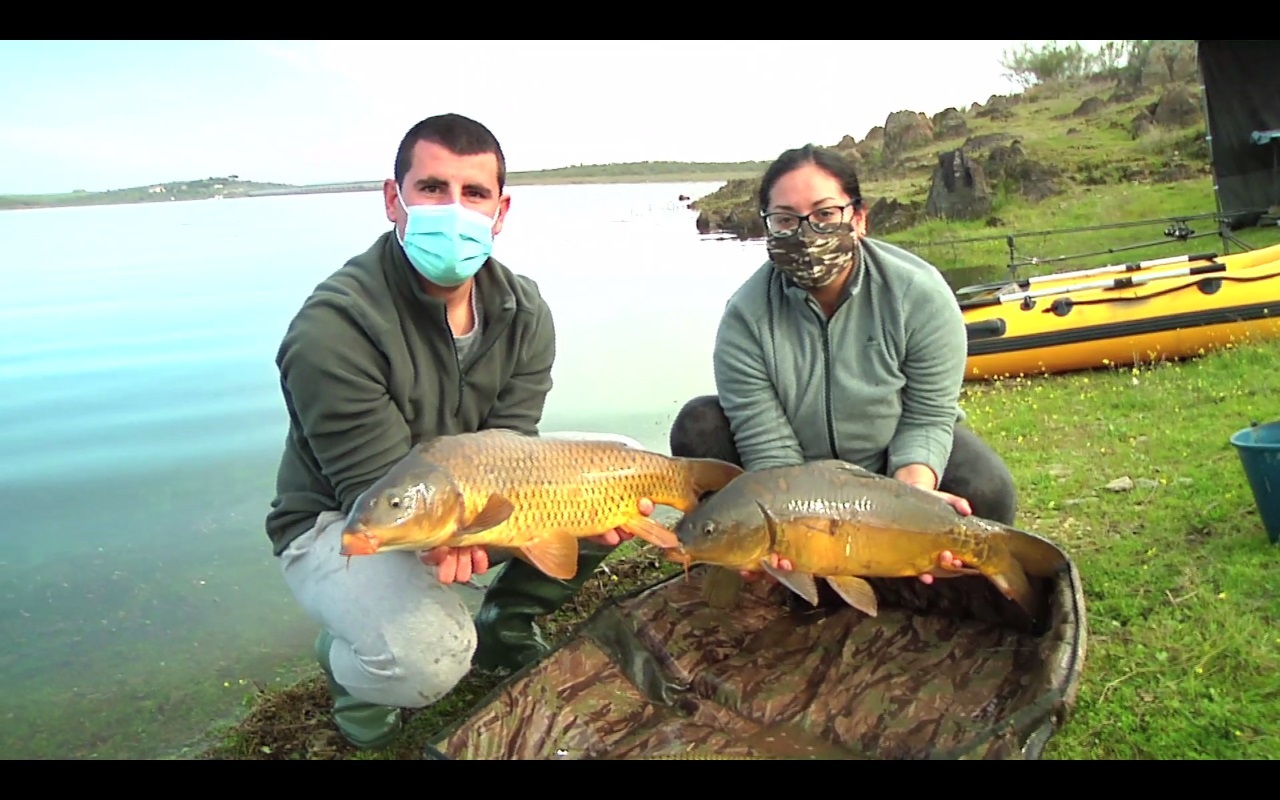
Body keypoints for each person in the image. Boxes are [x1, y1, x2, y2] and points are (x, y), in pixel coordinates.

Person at [264, 112, 653, 751]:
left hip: (466, 498)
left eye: (473, 194)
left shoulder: (524, 310)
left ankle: (510, 618)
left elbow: (512, 445)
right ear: (395, 200)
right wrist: (462, 536)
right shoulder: (331, 328)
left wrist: (535, 518)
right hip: (352, 518)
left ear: (500, 212)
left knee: (627, 469)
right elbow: (381, 489)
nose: (454, 209)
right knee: (431, 661)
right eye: (432, 189)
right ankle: (352, 676)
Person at [668, 143, 1018, 587]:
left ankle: (928, 573)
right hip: (795, 484)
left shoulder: (919, 295)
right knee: (699, 423)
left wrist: (910, 496)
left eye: (825, 214)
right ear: (768, 228)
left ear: (859, 217)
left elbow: (928, 417)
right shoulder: (745, 318)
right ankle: (752, 558)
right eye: (785, 220)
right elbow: (771, 454)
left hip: (894, 460)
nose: (806, 233)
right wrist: (803, 533)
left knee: (987, 490)